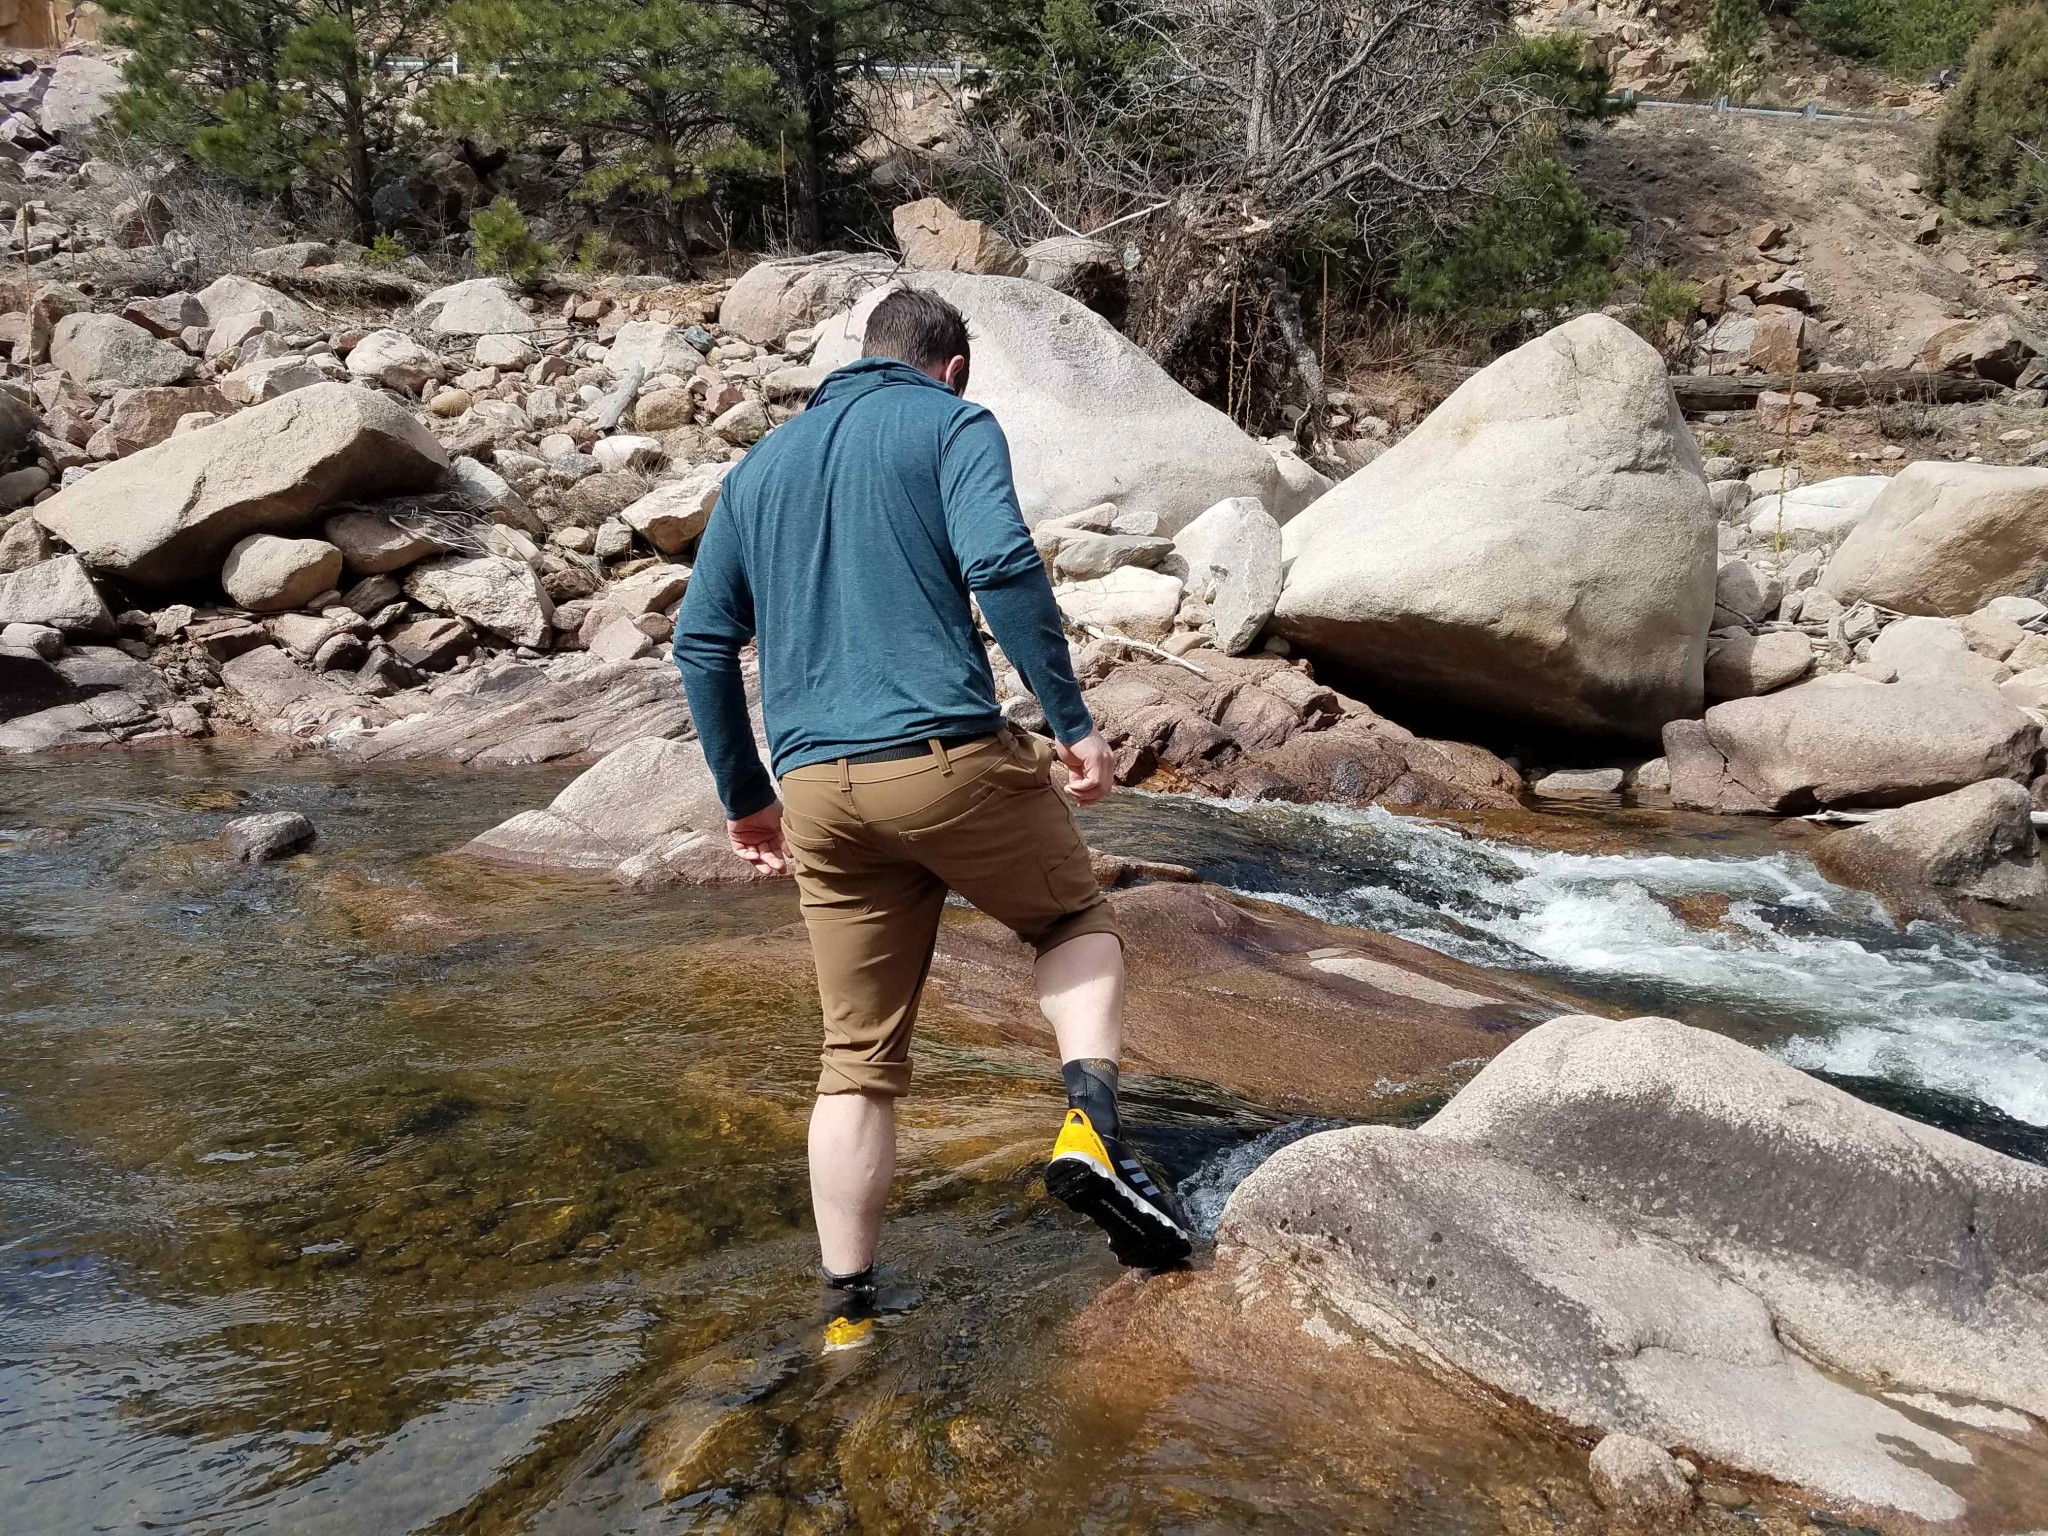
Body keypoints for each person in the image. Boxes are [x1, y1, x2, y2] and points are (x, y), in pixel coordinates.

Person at [672, 286, 1192, 1350]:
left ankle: (846, 1314)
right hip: (944, 762)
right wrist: (1071, 722)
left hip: (819, 794)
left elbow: (700, 644)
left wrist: (746, 799)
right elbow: (999, 564)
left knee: (855, 1062)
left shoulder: (758, 467)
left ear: (860, 356)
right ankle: (1090, 1132)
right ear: (951, 367)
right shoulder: (952, 424)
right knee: (1071, 922)